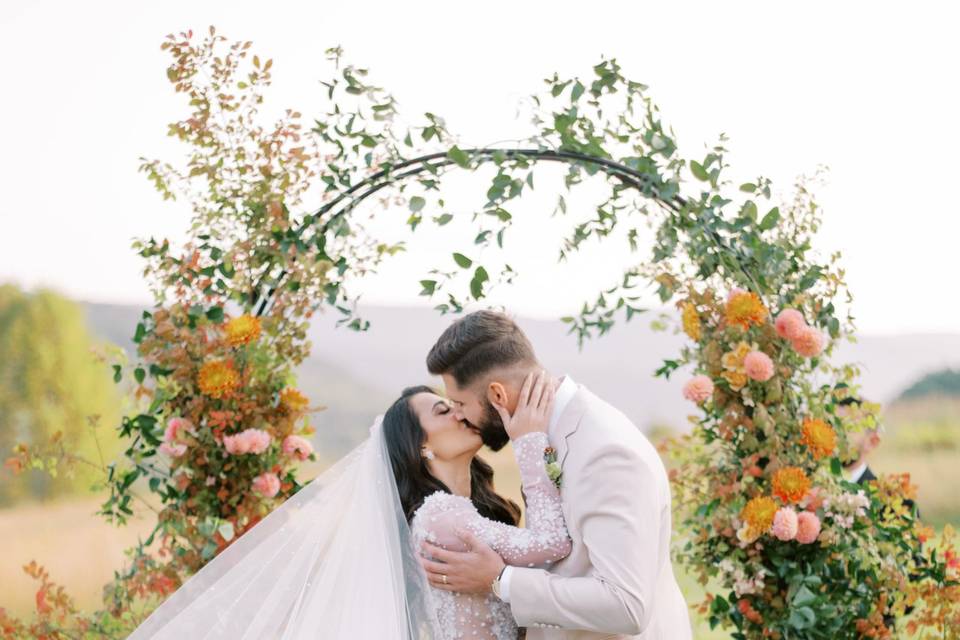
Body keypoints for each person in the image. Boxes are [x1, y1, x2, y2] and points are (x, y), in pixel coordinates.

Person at [127, 362, 569, 639]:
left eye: (453, 403)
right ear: (420, 447)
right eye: (442, 410)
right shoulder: (440, 516)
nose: (460, 411)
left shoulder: (462, 510)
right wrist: (531, 444)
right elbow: (552, 546)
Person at [419, 310, 692, 640]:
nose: (460, 416)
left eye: (460, 403)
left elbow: (626, 604)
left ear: (497, 395)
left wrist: (500, 580)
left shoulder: (605, 452)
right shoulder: (539, 437)